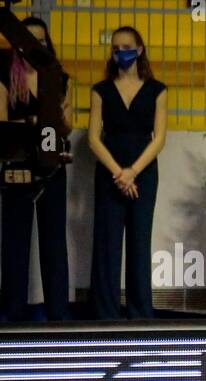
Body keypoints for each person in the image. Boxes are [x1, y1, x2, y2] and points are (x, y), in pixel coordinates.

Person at [87, 26, 167, 319]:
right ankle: (105, 313)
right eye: (116, 48)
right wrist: (119, 173)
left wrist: (132, 171)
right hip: (110, 172)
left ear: (140, 49)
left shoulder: (158, 90)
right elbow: (94, 138)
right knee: (107, 244)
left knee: (139, 243)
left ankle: (140, 312)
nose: (122, 52)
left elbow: (159, 138)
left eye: (127, 46)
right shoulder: (100, 90)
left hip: (143, 172)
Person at [0, 16, 72, 322]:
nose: (35, 46)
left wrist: (53, 114)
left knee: (54, 245)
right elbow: (4, 127)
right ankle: (13, 312)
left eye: (41, 41)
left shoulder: (59, 78)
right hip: (17, 168)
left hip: (51, 167)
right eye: (29, 40)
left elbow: (66, 128)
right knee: (15, 244)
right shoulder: (5, 77)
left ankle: (59, 314)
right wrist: (36, 125)